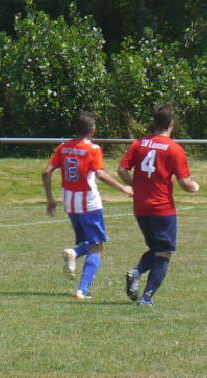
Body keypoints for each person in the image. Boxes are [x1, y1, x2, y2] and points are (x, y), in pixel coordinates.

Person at [42, 111, 133, 300]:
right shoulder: (93, 149)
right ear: (92, 130)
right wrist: (123, 188)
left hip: (69, 199)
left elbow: (46, 172)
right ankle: (82, 289)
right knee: (97, 245)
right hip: (88, 201)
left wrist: (50, 198)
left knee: (91, 242)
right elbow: (100, 174)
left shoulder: (63, 147)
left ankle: (75, 255)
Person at [117, 104, 199, 306]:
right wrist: (195, 187)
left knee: (155, 248)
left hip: (141, 207)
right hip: (162, 208)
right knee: (164, 252)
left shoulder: (139, 144)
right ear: (172, 124)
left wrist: (135, 184)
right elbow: (184, 182)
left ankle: (137, 272)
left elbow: (121, 169)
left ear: (154, 124)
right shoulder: (173, 149)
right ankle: (146, 296)